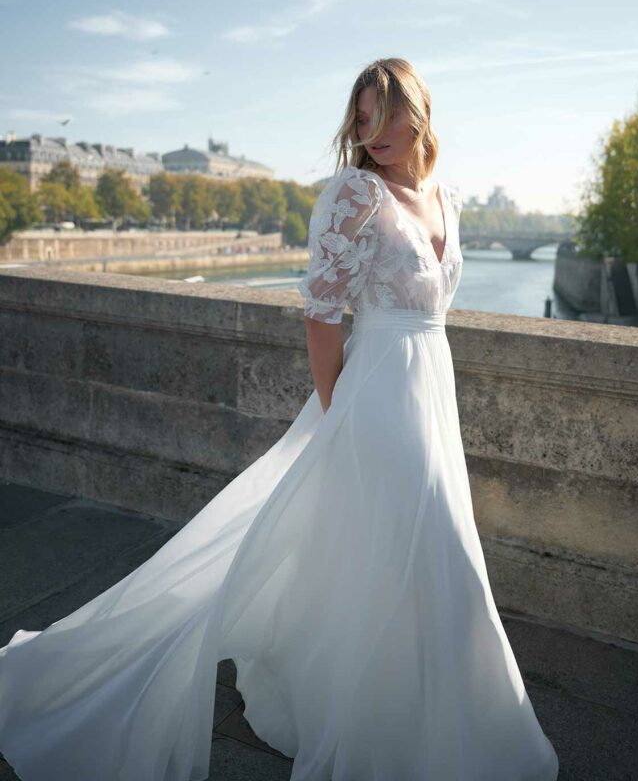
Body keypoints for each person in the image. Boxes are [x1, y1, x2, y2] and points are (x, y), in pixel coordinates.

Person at [0, 57, 559, 781]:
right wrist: (338, 420)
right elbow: (321, 321)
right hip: (376, 395)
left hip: (431, 387)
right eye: (360, 118)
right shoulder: (354, 193)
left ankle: (415, 721)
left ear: (417, 114)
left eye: (385, 114)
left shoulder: (445, 195)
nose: (372, 131)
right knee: (430, 543)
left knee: (412, 555)